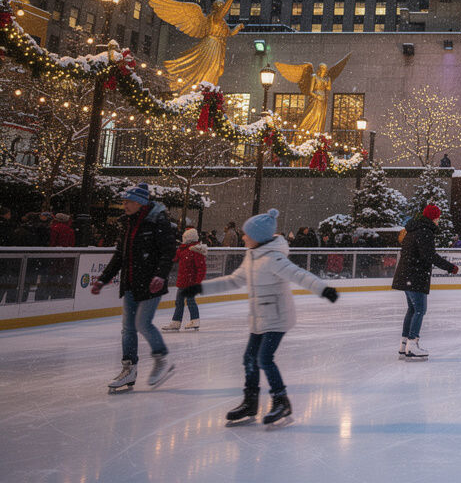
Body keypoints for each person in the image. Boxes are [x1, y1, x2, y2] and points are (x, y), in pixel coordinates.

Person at [182, 209, 339, 427]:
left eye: (247, 234)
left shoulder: (274, 258)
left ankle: (281, 401)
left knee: (264, 359)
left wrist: (323, 289)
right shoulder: (252, 256)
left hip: (277, 318)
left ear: (258, 237)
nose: (244, 237)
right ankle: (250, 402)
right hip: (259, 318)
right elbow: (233, 280)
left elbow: (299, 275)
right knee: (249, 358)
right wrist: (201, 288)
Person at [89, 183, 177, 394]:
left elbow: (168, 251)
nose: (124, 205)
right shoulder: (127, 223)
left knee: (142, 323)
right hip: (130, 283)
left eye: (128, 202)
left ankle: (161, 359)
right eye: (124, 202)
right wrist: (103, 279)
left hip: (151, 283)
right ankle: (129, 369)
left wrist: (160, 275)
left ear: (140, 203)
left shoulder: (158, 221)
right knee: (128, 328)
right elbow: (120, 255)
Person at [391, 204, 460, 360]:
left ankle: (404, 344)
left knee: (412, 309)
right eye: (438, 217)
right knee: (420, 310)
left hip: (407, 275)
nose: (438, 220)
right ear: (433, 217)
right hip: (415, 276)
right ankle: (412, 345)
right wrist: (450, 267)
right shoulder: (425, 231)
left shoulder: (413, 229)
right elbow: (429, 255)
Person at [162, 228, 207, 332]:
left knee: (190, 301)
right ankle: (176, 322)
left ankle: (194, 320)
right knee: (179, 302)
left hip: (191, 282)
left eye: (185, 237)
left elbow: (201, 268)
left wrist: (198, 282)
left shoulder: (196, 250)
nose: (183, 239)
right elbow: (174, 258)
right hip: (183, 281)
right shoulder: (183, 249)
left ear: (188, 238)